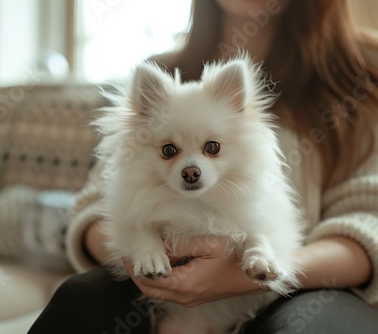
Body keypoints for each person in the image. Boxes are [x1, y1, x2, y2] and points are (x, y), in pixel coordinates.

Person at [28, 0, 378, 333]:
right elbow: (95, 204)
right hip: (152, 288)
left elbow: (368, 221)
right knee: (82, 300)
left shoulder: (360, 74)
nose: (191, 168)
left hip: (302, 284)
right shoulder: (156, 75)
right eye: (169, 150)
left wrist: (241, 274)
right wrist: (152, 261)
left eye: (212, 148)